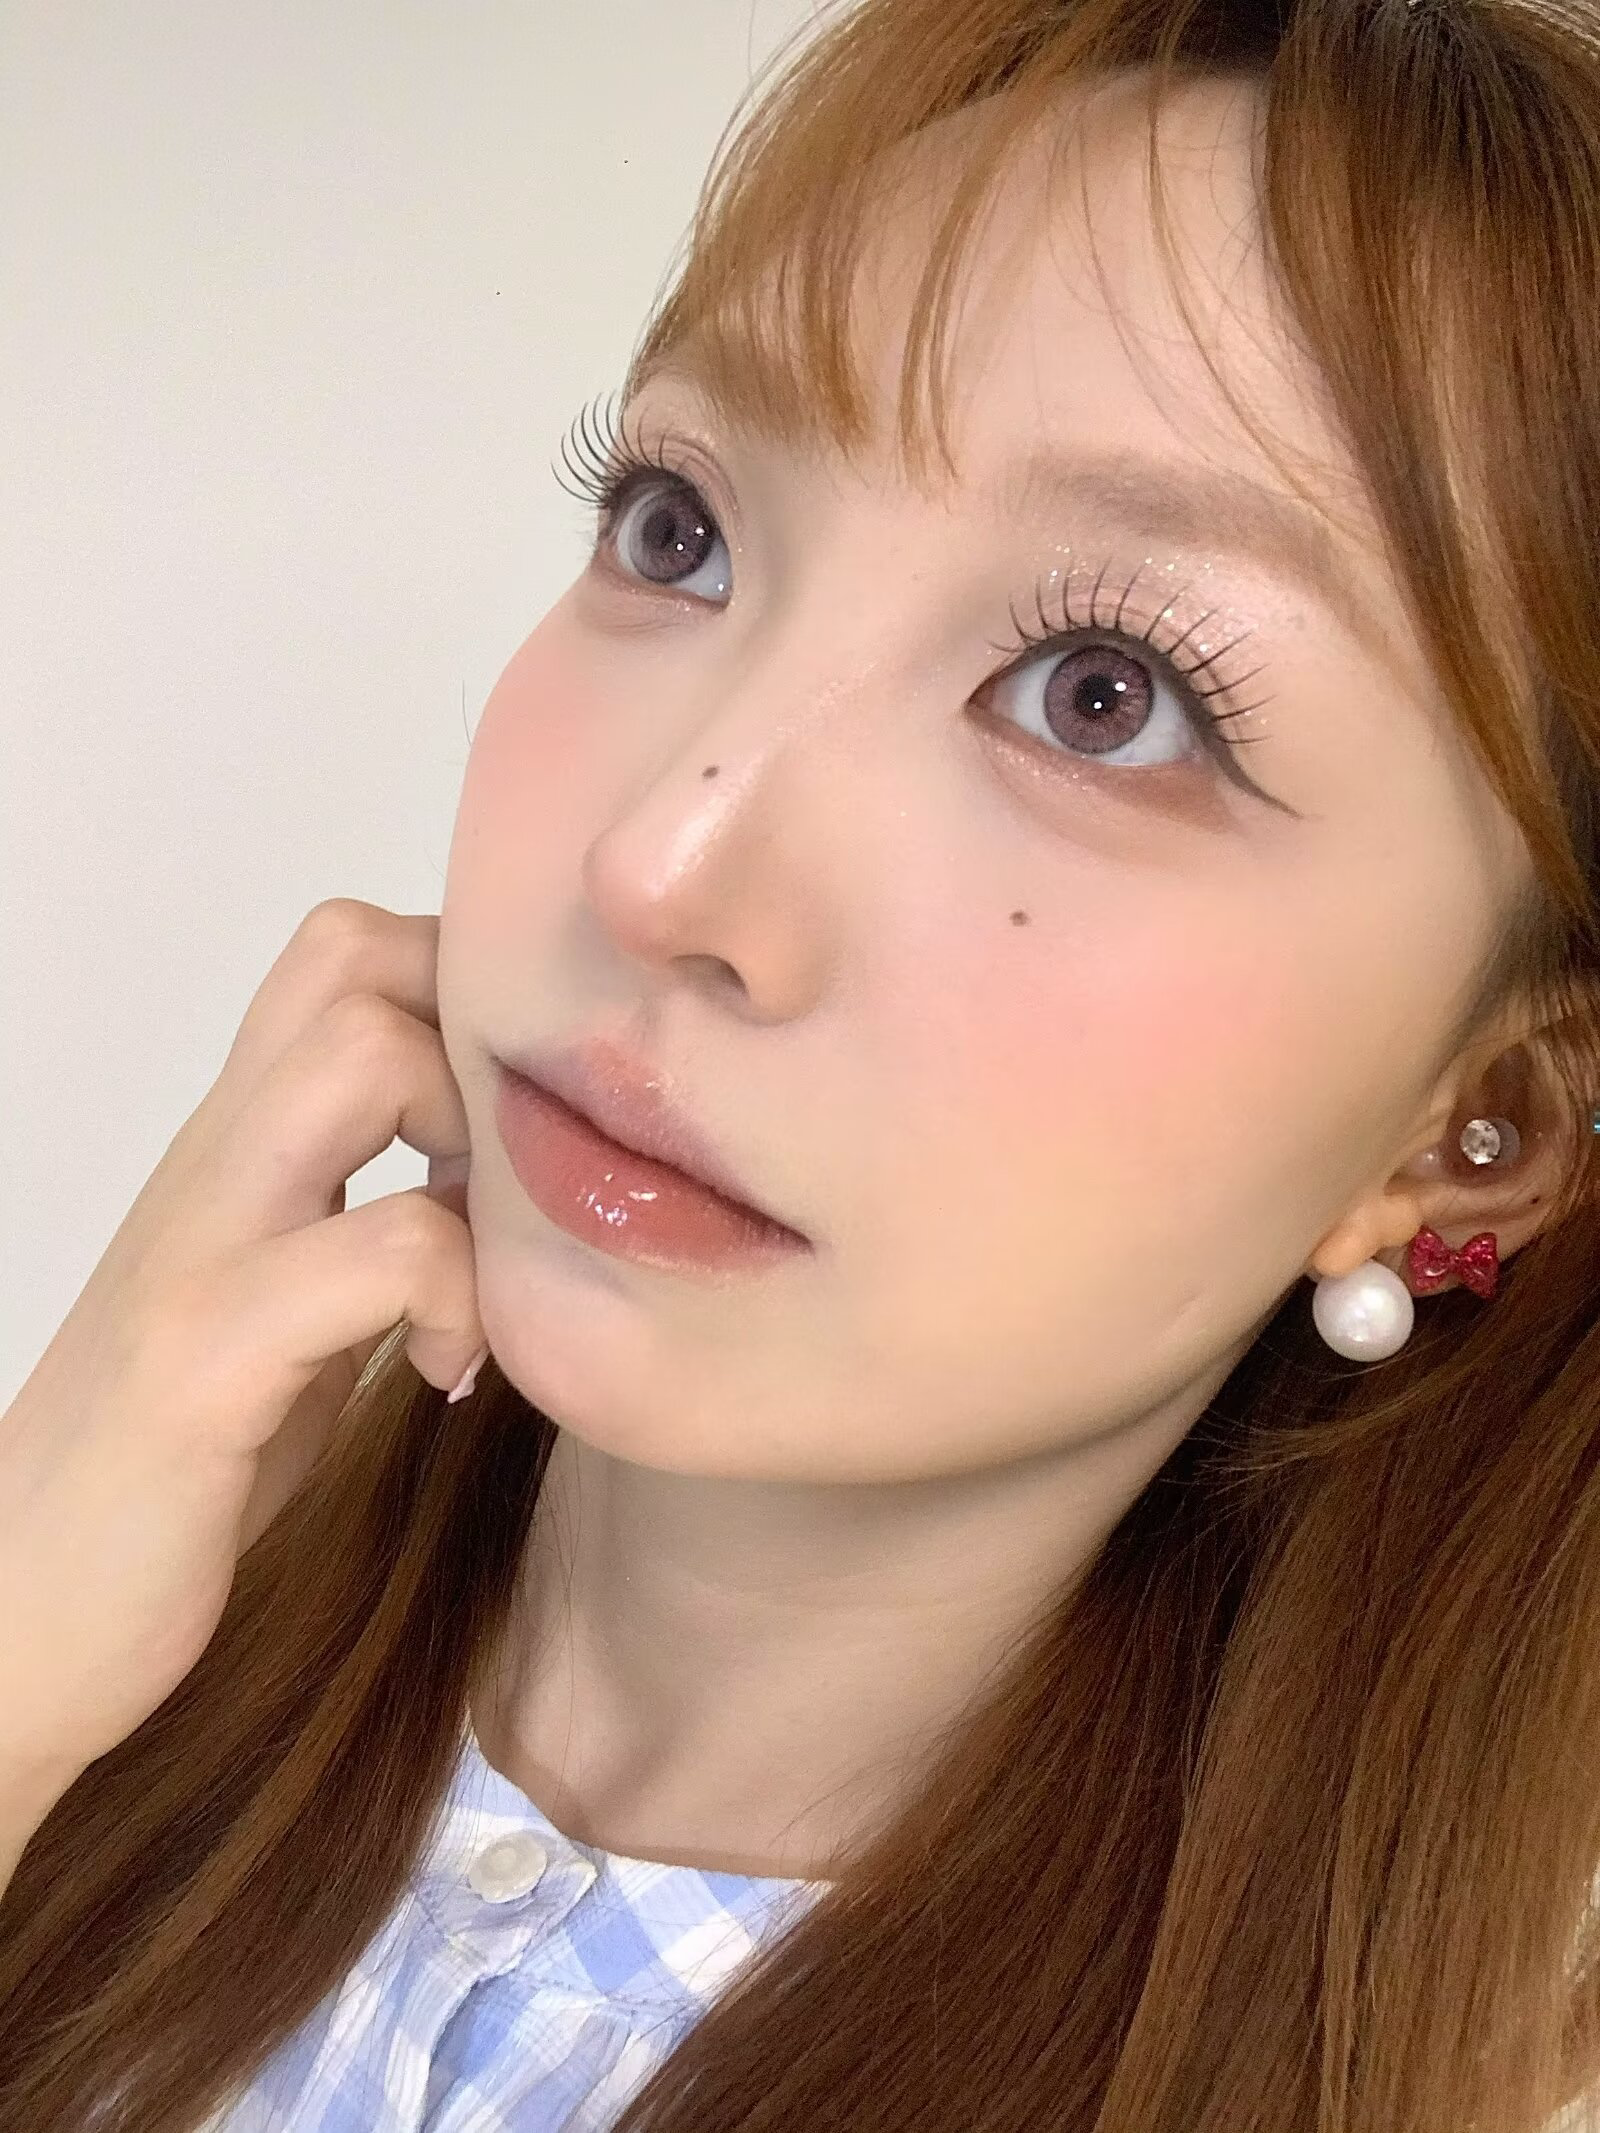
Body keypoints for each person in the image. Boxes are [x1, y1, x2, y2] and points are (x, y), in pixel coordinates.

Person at [4, 0, 1600, 2126]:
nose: (658, 864)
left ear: (1475, 1130)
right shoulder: (100, 1670)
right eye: (679, 525)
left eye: (1105, 695)